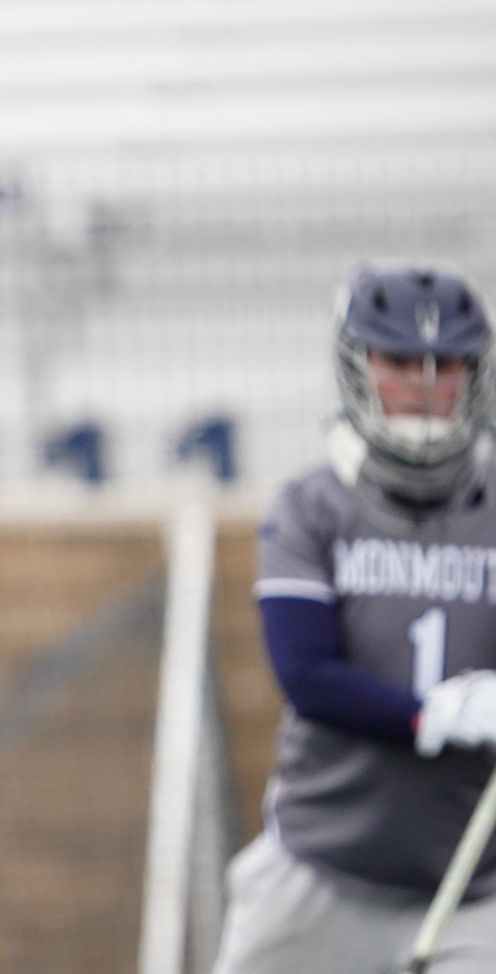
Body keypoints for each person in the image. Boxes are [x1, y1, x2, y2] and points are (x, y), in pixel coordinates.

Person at [213, 264, 496, 973]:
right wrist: (434, 714)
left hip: (472, 884)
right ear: (359, 366)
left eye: (445, 364)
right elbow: (307, 674)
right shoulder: (310, 506)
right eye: (401, 361)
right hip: (319, 871)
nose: (426, 382)